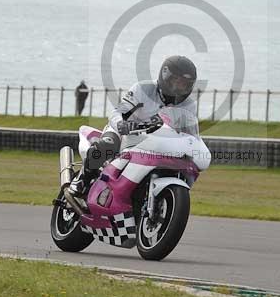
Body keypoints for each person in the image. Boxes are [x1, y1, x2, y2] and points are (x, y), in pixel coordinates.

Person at [69, 55, 198, 197]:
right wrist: (121, 124)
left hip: (157, 142)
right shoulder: (143, 89)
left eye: (184, 84)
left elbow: (188, 131)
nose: (179, 87)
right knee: (107, 145)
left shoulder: (189, 105)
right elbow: (119, 111)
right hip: (127, 133)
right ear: (165, 76)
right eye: (177, 81)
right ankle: (82, 179)